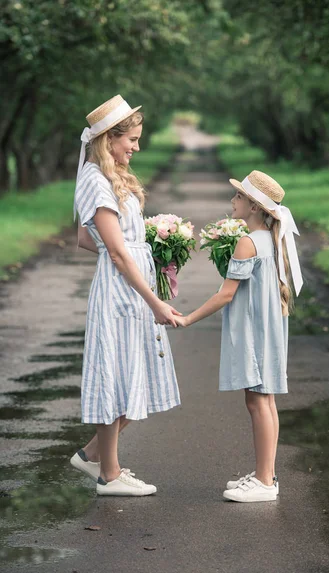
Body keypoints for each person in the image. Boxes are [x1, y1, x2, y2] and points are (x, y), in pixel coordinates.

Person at [70, 95, 181, 496]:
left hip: (131, 282)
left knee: (139, 374)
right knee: (116, 373)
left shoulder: (111, 175)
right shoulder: (96, 180)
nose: (136, 146)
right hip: (121, 291)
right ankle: (109, 474)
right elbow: (111, 250)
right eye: (131, 139)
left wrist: (147, 253)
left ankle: (93, 458)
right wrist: (152, 298)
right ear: (108, 139)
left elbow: (88, 239)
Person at [175, 170, 303, 502]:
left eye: (239, 197)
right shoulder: (269, 240)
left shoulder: (247, 242)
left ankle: (263, 481)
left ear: (255, 207)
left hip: (255, 330)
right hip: (269, 328)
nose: (232, 201)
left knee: (257, 401)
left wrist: (188, 318)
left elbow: (225, 294)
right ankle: (267, 475)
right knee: (267, 400)